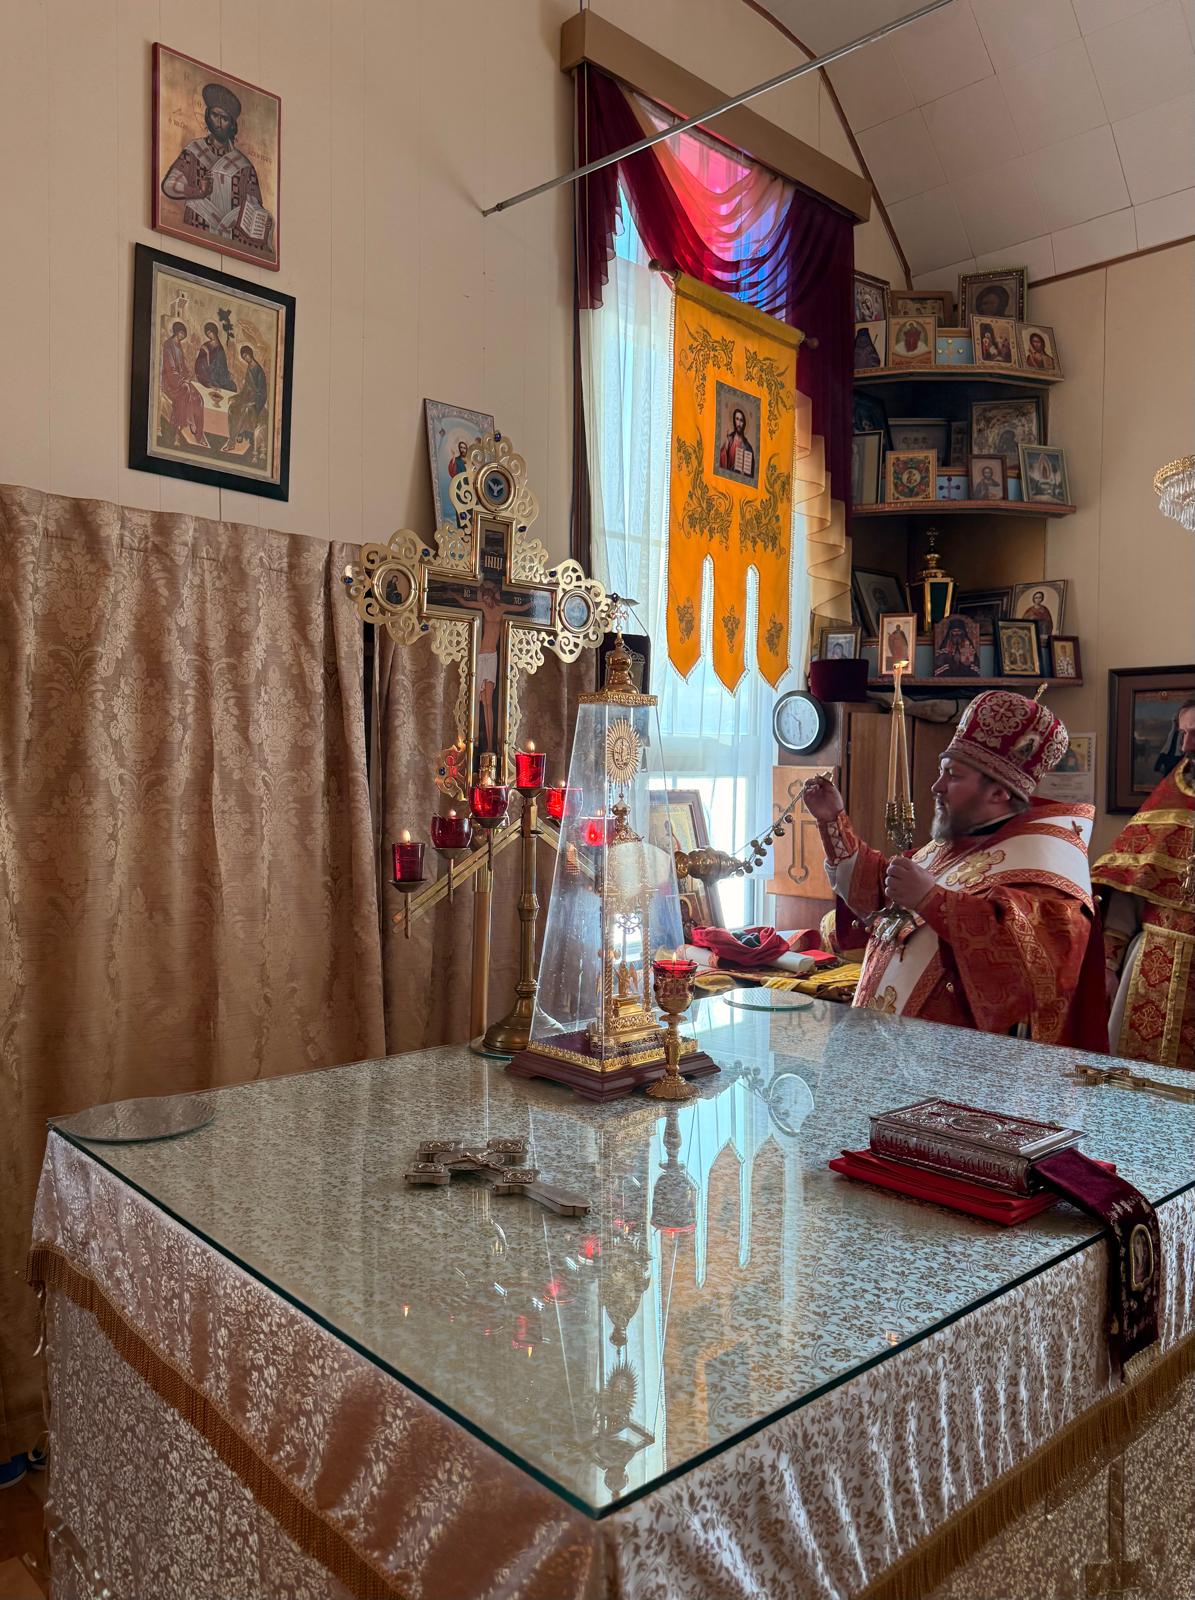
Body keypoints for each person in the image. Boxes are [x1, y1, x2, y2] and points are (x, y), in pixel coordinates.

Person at [802, 690, 1106, 1046]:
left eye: (953, 775)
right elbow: (886, 901)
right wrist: (833, 822)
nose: (937, 786)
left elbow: (1031, 968)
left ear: (998, 793)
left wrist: (933, 900)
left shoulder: (1046, 865)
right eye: (941, 771)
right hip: (884, 1048)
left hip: (959, 1062)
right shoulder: (958, 842)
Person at [1092, 698, 1195, 1069]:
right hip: (1153, 966)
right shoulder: (1167, 802)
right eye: (1183, 734)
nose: (1186, 746)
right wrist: (1108, 964)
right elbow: (1127, 891)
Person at [160, 81, 274, 256]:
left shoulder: (244, 167)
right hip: (196, 232)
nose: (218, 123)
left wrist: (263, 219)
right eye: (215, 115)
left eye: (225, 118)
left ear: (232, 124)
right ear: (208, 116)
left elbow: (254, 205)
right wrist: (198, 191)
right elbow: (169, 185)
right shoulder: (194, 151)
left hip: (233, 240)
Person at [159, 320, 205, 446]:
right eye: (181, 333)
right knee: (186, 389)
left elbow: (183, 365)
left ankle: (199, 433)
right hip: (170, 382)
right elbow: (170, 369)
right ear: (175, 332)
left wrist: (188, 374)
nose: (182, 336)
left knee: (198, 397)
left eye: (184, 334)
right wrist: (181, 380)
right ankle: (186, 425)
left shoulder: (178, 346)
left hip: (180, 380)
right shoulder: (168, 345)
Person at [229, 343, 268, 454]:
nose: (246, 358)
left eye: (246, 355)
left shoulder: (259, 370)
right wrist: (237, 396)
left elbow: (262, 391)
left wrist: (253, 401)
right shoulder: (249, 367)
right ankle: (237, 432)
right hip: (248, 396)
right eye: (244, 357)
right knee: (233, 406)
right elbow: (246, 386)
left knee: (246, 409)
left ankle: (242, 433)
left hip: (258, 398)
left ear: (251, 354)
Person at [194, 322, 234, 391]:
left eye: (210, 332)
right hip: (209, 372)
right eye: (208, 334)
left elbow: (223, 364)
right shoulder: (206, 346)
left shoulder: (220, 347)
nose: (209, 335)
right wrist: (207, 353)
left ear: (214, 331)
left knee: (232, 386)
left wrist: (227, 374)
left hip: (220, 374)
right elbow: (200, 362)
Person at [718, 408, 755, 476]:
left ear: (744, 423)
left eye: (741, 420)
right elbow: (720, 463)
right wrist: (725, 449)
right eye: (737, 419)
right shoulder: (729, 440)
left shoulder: (748, 447)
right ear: (734, 421)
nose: (739, 423)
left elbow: (751, 472)